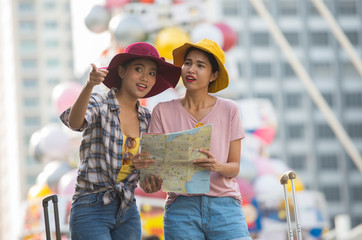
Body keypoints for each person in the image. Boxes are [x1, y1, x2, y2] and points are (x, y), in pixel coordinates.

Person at [59, 42, 180, 240]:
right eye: (138, 69)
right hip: (91, 207)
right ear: (122, 71)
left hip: (128, 210)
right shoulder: (99, 103)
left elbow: (148, 184)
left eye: (151, 73)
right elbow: (74, 122)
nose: (145, 78)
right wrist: (89, 85)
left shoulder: (148, 119)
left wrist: (152, 177)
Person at [137, 39, 252, 240]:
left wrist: (216, 165)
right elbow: (152, 171)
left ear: (213, 75)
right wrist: (149, 178)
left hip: (225, 208)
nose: (191, 69)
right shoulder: (162, 111)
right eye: (188, 63)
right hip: (181, 210)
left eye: (201, 65)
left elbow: (234, 167)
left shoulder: (229, 110)